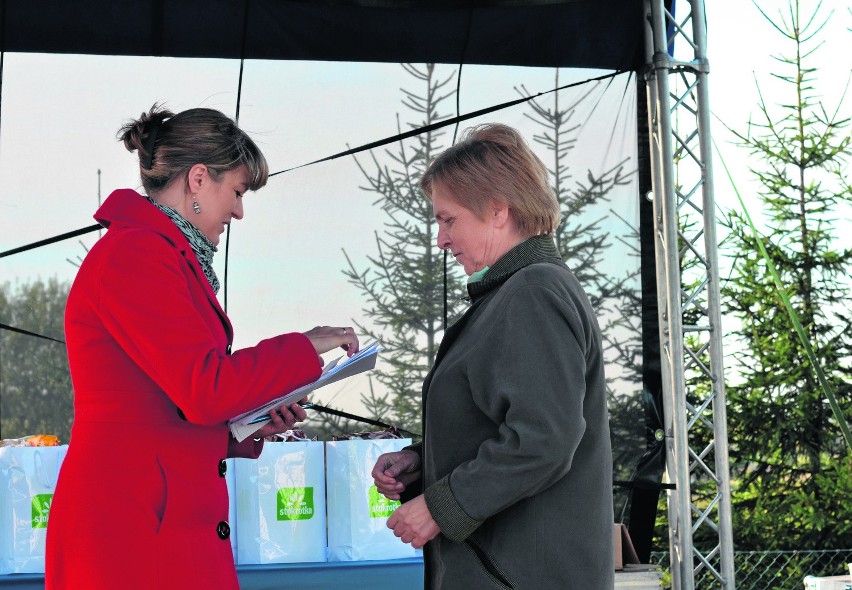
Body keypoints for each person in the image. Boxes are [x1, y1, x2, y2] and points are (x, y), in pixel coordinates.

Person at [45, 104, 359, 589]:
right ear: (196, 180)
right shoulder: (137, 255)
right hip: (132, 531)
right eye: (235, 191)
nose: (238, 211)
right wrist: (303, 348)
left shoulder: (158, 253)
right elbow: (204, 387)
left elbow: (167, 405)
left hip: (152, 517)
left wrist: (244, 426)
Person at [371, 123, 614, 589]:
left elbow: (544, 438)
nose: (440, 238)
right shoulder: (514, 293)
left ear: (498, 210)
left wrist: (441, 507)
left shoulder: (533, 293)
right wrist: (423, 462)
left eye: (448, 219)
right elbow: (502, 423)